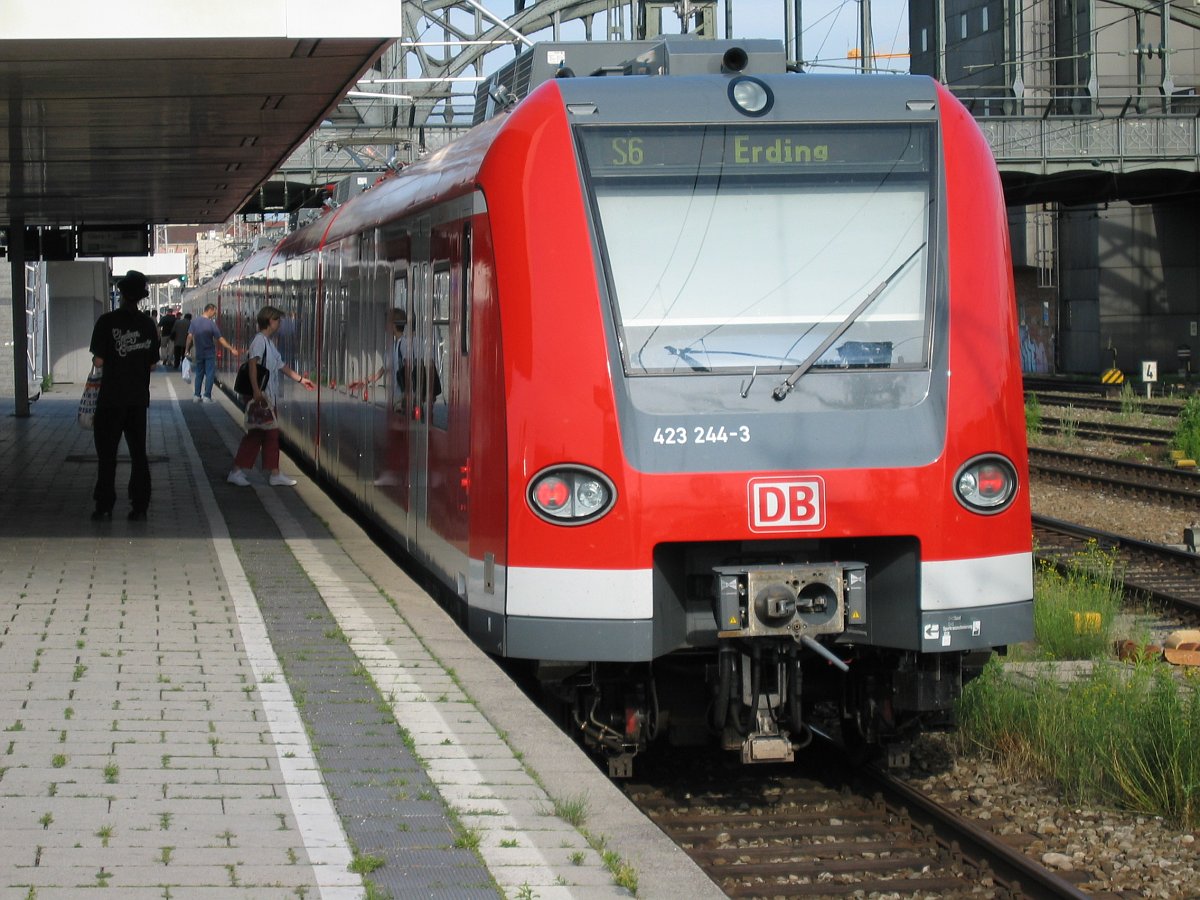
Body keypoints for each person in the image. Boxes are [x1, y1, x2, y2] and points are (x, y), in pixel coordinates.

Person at [88, 270, 159, 521]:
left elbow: (98, 360)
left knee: (107, 455)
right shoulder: (148, 325)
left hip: (111, 398)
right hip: (138, 399)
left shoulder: (106, 322)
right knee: (138, 453)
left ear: (121, 293)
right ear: (141, 297)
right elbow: (152, 363)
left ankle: (105, 505)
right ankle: (140, 505)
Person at [227, 305, 315, 487]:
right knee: (262, 434)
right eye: (278, 320)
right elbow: (253, 364)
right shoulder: (259, 341)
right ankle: (240, 471)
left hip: (267, 396)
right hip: (262, 397)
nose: (280, 324)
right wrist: (256, 390)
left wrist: (301, 380)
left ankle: (271, 473)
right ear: (270, 321)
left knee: (266, 435)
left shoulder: (268, 342)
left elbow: (281, 366)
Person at [185, 303, 239, 402]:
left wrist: (187, 349)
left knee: (199, 374)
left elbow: (189, 337)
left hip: (199, 353)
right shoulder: (211, 324)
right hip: (209, 353)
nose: (214, 314)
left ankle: (196, 395)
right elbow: (220, 339)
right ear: (209, 310)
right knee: (210, 374)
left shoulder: (194, 322)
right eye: (214, 312)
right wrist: (231, 349)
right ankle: (207, 396)